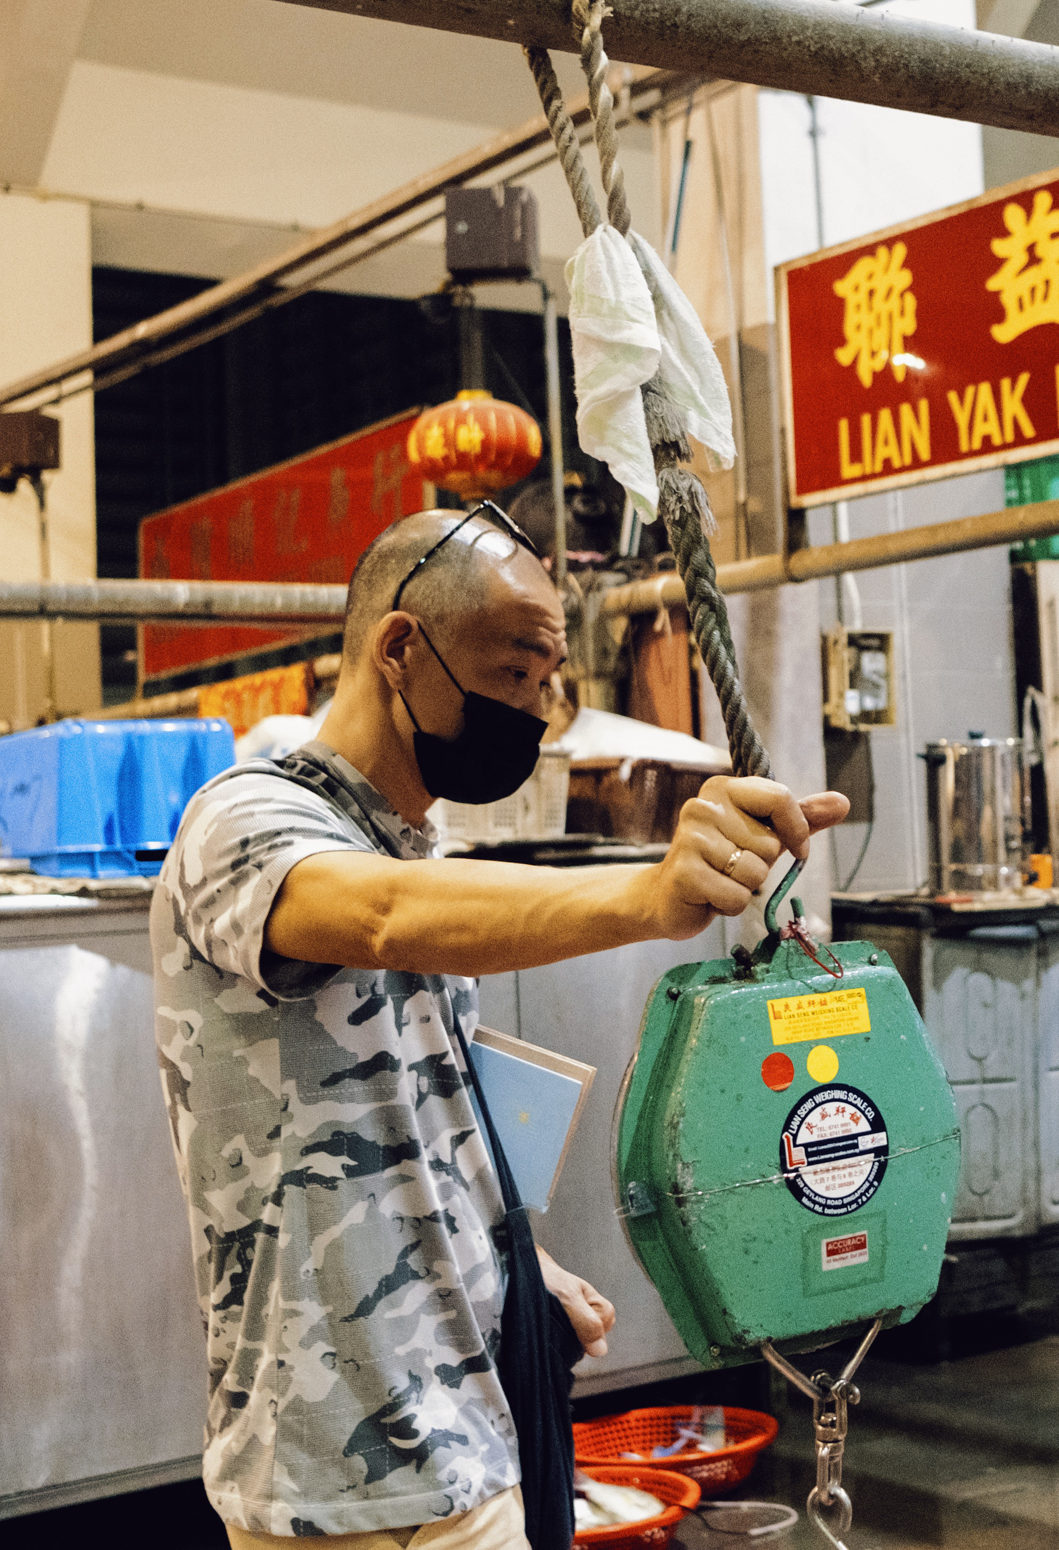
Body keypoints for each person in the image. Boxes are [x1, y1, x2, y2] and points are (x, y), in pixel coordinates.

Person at [153, 503, 847, 1550]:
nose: (532, 709)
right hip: (341, 1465)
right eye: (515, 672)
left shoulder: (414, 845)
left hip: (467, 1427)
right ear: (400, 649)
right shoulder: (245, 821)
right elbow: (379, 916)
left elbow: (419, 1106)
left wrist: (517, 1258)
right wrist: (647, 895)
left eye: (545, 680)